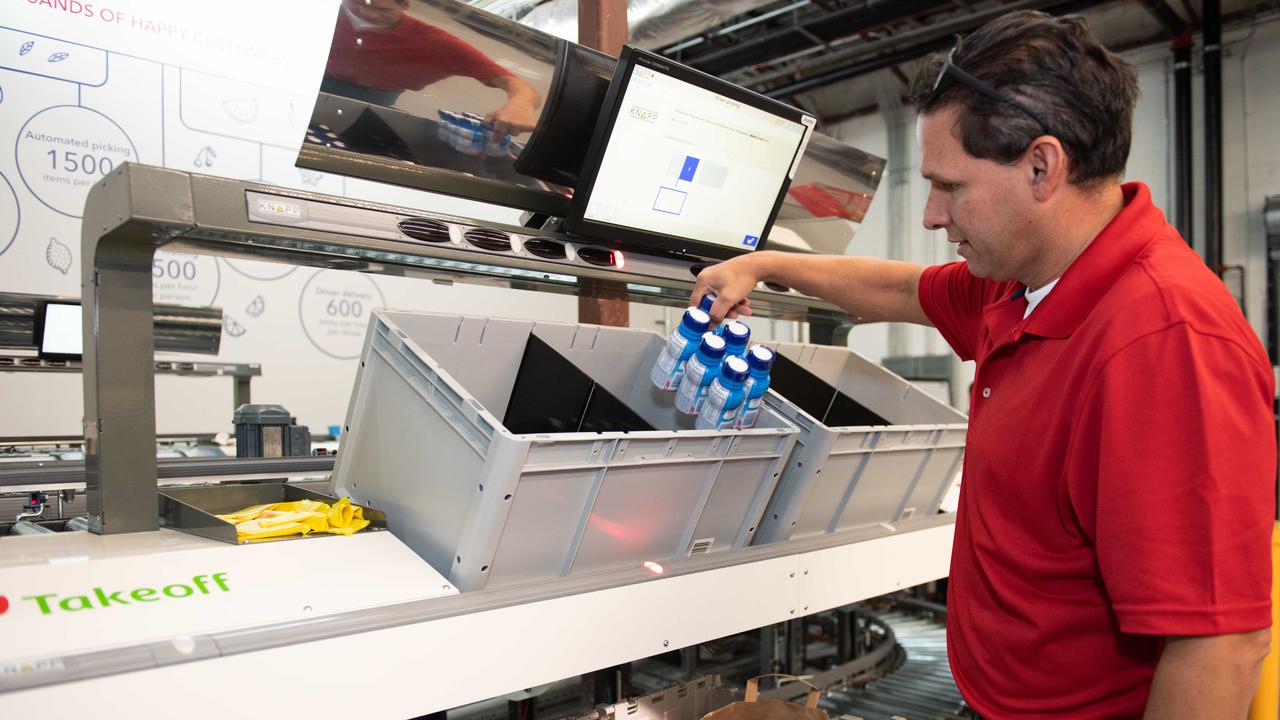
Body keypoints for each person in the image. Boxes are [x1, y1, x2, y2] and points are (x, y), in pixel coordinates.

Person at [692, 11, 1275, 719]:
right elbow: (901, 288)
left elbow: (1221, 643)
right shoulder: (1026, 280)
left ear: (1041, 166)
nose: (933, 214)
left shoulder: (1163, 343)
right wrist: (766, 263)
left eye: (950, 185)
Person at [321, 0, 542, 135]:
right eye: (358, 1)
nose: (365, 12)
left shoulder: (433, 41)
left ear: (405, 5)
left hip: (373, 99)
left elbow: (518, 85)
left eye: (381, 9)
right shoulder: (326, 9)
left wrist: (521, 105)